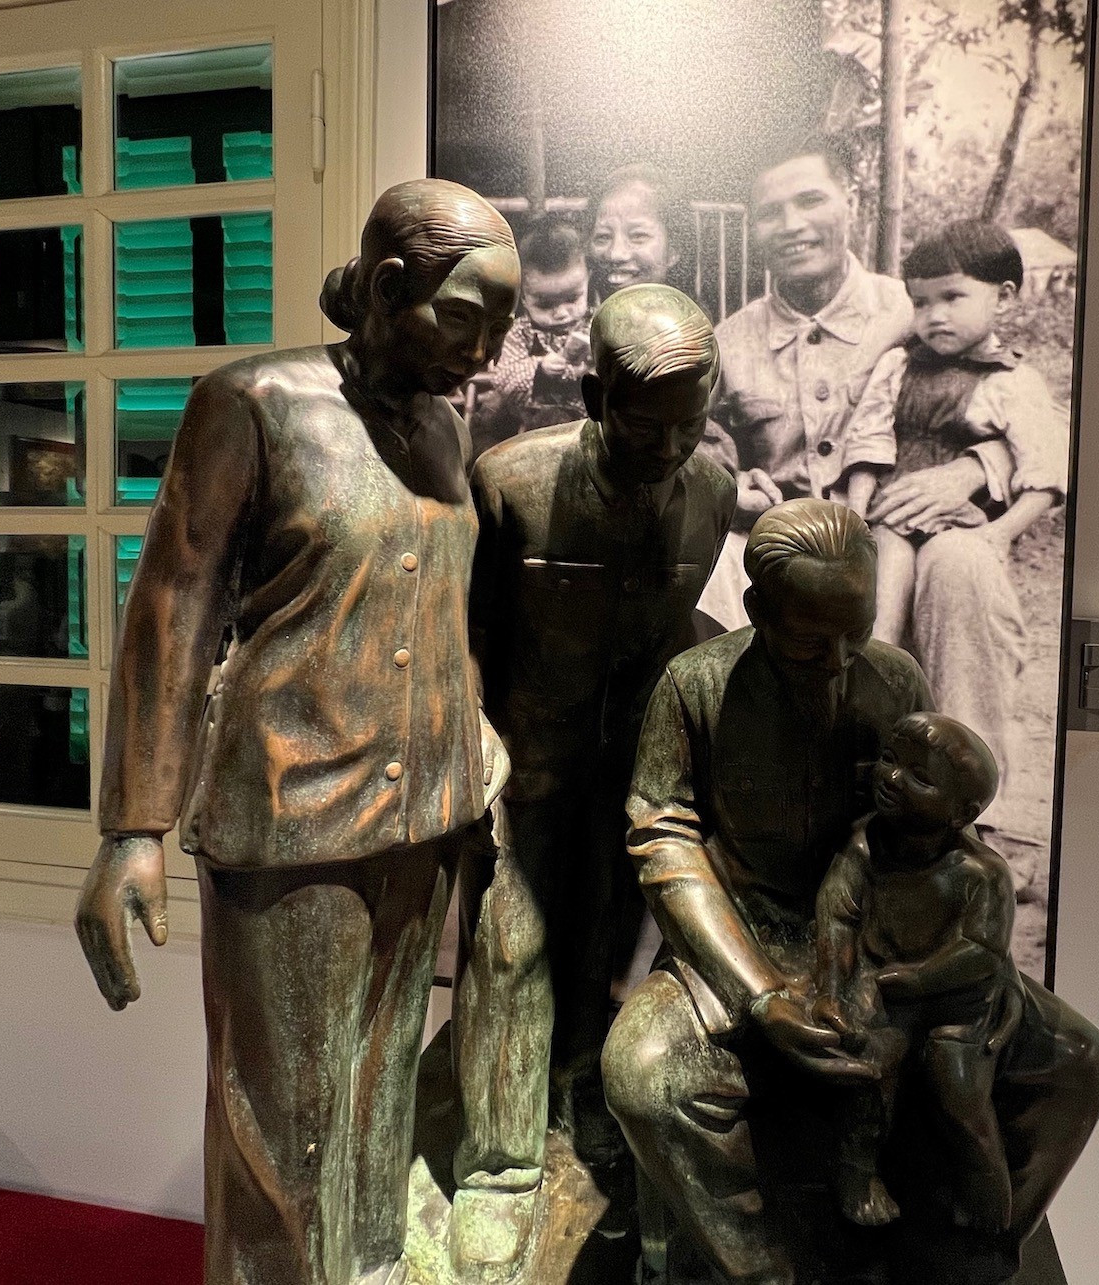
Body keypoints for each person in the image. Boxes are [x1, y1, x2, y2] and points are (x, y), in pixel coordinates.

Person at [74, 179, 519, 1285]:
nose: (488, 353)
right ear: (386, 286)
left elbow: (435, 614)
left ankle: (366, 1271)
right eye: (468, 319)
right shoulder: (254, 403)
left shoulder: (441, 429)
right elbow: (173, 607)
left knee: (377, 1098)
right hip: (293, 812)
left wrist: (479, 774)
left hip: (425, 812)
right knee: (282, 1125)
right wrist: (134, 827)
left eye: (502, 328)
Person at [602, 500, 1099, 1285]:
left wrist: (964, 951)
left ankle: (970, 1247)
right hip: (749, 933)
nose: (840, 660)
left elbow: (942, 822)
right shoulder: (696, 687)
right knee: (642, 1072)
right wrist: (761, 989)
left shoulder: (894, 677)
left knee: (1078, 1061)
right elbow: (662, 838)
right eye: (811, 642)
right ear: (757, 609)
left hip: (891, 937)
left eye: (857, 631)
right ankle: (759, 1266)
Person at [452, 285, 735, 1279]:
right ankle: (496, 1165)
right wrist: (477, 746)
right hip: (520, 767)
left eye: (688, 425)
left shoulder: (713, 490)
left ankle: (578, 1095)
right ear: (588, 393)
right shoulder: (508, 483)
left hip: (629, 768)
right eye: (642, 424)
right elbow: (462, 640)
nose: (667, 449)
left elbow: (683, 630)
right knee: (510, 948)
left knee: (610, 948)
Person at [696, 140, 1023, 641]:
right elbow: (686, 442)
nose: (791, 226)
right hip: (781, 548)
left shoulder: (916, 310)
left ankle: (958, 721)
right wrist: (728, 489)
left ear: (850, 199)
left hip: (899, 536)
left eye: (810, 200)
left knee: (959, 568)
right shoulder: (729, 341)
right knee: (716, 574)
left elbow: (1028, 406)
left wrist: (970, 469)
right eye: (769, 213)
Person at [836, 223, 1068, 839]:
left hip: (962, 527)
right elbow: (868, 442)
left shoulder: (1013, 381)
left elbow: (1044, 475)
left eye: (953, 297)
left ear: (1006, 297)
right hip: (891, 514)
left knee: (955, 570)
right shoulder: (896, 367)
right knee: (878, 621)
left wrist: (1001, 533)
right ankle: (867, 783)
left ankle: (965, 802)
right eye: (920, 302)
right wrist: (861, 511)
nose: (933, 315)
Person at [812, 713, 1022, 1236]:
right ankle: (856, 1174)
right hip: (886, 987)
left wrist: (921, 977)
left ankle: (987, 1203)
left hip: (958, 1005)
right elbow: (837, 915)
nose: (891, 778)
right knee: (867, 1065)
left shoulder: (982, 875)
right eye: (889, 760)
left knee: (958, 1094)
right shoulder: (863, 846)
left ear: (962, 813)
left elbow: (981, 951)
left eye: (919, 777)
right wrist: (833, 991)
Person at [472, 213, 594, 455]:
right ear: (524, 296)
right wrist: (539, 367)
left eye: (572, 298)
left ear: (588, 281)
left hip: (589, 419)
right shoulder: (521, 333)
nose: (561, 313)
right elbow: (504, 379)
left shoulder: (595, 323)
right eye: (545, 304)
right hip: (531, 424)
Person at [587, 162, 688, 299]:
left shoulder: (692, 319)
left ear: (674, 250)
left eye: (638, 236)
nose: (615, 254)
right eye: (603, 237)